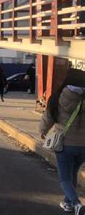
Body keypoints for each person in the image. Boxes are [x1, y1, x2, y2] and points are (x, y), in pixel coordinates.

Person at [39, 68, 85, 214]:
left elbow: (48, 117)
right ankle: (68, 202)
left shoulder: (58, 96)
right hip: (83, 146)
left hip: (64, 144)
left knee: (64, 178)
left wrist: (43, 132)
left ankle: (77, 203)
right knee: (73, 173)